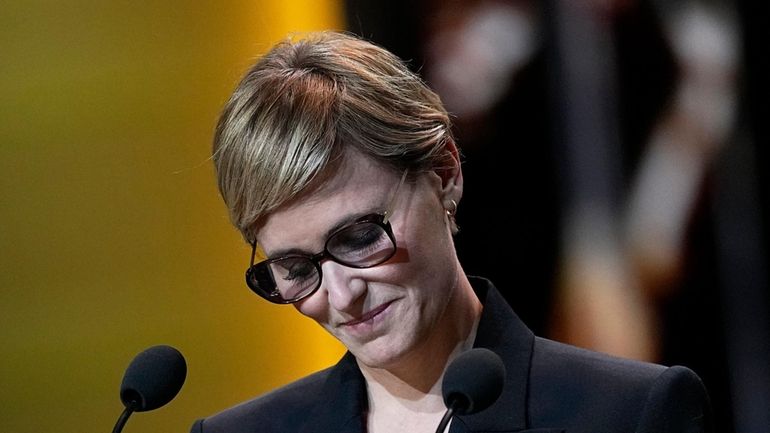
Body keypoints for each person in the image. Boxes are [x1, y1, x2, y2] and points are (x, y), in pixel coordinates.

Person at [191, 31, 712, 433]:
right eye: (297, 269)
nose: (343, 295)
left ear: (444, 174)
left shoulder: (628, 415)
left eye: (359, 238)